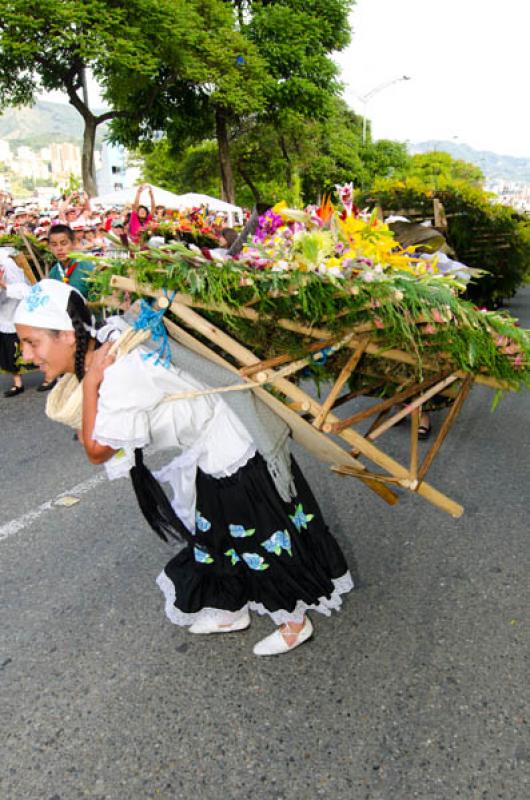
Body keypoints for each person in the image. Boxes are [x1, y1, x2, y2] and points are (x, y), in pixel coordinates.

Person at [15, 280, 353, 656]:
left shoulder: (116, 372)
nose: (27, 355)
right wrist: (91, 380)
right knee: (215, 537)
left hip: (231, 444)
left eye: (32, 342)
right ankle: (228, 610)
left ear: (66, 335)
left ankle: (293, 621)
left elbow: (97, 450)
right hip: (209, 444)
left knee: (259, 537)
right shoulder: (109, 339)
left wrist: (92, 382)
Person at [0, 251, 30, 397]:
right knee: (8, 350)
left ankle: (50, 377)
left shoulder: (7, 262)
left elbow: (24, 289)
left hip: (16, 311)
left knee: (31, 346)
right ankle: (17, 383)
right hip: (3, 314)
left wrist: (3, 285)